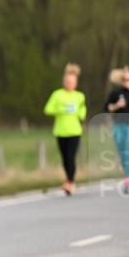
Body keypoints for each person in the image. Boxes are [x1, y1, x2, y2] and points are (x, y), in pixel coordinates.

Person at [43, 63, 87, 195]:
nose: (70, 84)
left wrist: (80, 114)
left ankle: (70, 182)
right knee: (64, 159)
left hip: (75, 131)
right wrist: (62, 110)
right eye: (68, 82)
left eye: (72, 82)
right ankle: (69, 180)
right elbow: (48, 109)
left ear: (76, 83)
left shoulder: (80, 96)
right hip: (60, 131)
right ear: (64, 82)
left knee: (70, 157)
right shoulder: (57, 95)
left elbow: (83, 110)